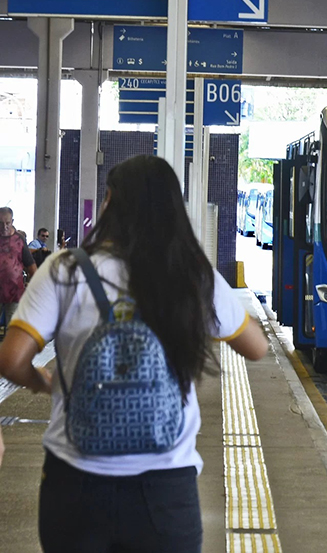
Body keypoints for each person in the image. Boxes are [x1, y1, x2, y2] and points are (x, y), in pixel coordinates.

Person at [0, 155, 268, 553]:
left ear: (109, 202)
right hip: (165, 488)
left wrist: (45, 384)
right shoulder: (192, 274)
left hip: (74, 482)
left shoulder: (65, 269)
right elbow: (257, 347)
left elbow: (12, 361)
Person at [0, 207, 38, 335]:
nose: (4, 226)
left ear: (12, 221)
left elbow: (30, 265)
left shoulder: (19, 240)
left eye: (7, 223)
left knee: (12, 331)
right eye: (0, 223)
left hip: (14, 292)